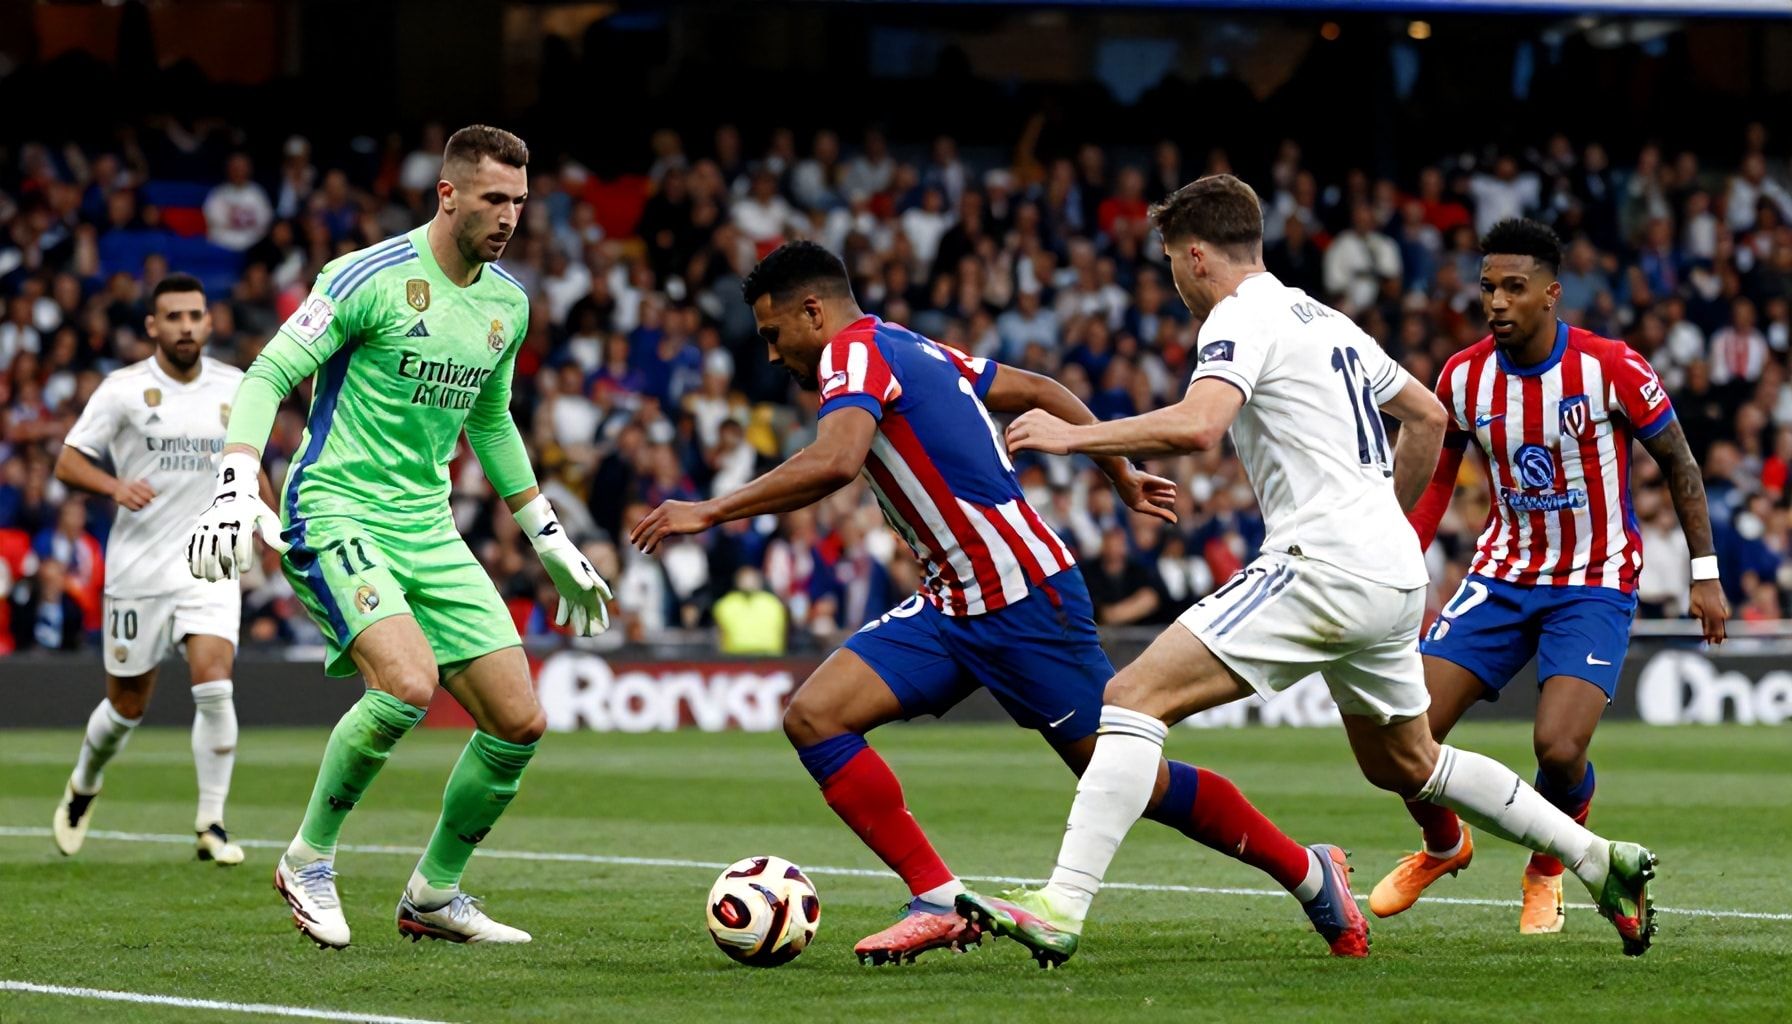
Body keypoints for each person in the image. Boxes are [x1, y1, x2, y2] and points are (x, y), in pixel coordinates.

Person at [957, 175, 1660, 968]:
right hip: (1391, 573)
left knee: (1130, 698)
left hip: (1321, 563)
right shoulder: (1323, 317)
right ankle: (1602, 862)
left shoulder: (1238, 316)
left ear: (1195, 256)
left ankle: (1062, 903)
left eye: (1170, 263)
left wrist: (1072, 438)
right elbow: (1427, 415)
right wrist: (1385, 527)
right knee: (1406, 761)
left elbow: (1200, 426)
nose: (1174, 282)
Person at [633, 241, 1361, 966]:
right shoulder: (908, 346)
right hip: (953, 603)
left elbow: (836, 460)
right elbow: (1043, 388)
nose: (770, 353)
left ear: (813, 313)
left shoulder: (851, 355)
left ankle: (1307, 870)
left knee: (1129, 777)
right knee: (816, 717)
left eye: (773, 333)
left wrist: (710, 509)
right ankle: (938, 900)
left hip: (1024, 599)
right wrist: (1120, 475)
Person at [186, 125, 613, 949]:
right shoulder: (365, 276)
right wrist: (238, 478)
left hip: (428, 524)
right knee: (407, 684)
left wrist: (548, 534)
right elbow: (269, 372)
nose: (509, 217)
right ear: (448, 193)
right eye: (494, 198)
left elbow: (489, 419)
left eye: (520, 202)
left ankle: (434, 893)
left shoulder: (507, 305)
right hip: (336, 507)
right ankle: (307, 858)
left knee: (519, 722)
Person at [1373, 218, 1727, 933]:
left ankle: (1548, 864)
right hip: (1502, 574)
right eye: (1487, 288)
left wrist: (1705, 573)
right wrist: (1400, 560)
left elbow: (1681, 464)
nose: (1496, 301)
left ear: (1551, 294)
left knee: (1559, 748)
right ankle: (1445, 844)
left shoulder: (1612, 367)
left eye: (1514, 287)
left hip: (1593, 579)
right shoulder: (1462, 375)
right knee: (1397, 734)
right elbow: (1439, 476)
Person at [52, 273, 261, 866]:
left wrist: (269, 528)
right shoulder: (122, 391)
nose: (187, 326)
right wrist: (114, 485)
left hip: (209, 564)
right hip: (138, 569)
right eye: (174, 317)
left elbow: (248, 466)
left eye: (195, 315)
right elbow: (68, 461)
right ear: (152, 326)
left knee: (215, 683)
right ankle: (84, 784)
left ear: (210, 321)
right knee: (127, 706)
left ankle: (212, 823)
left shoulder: (237, 387)